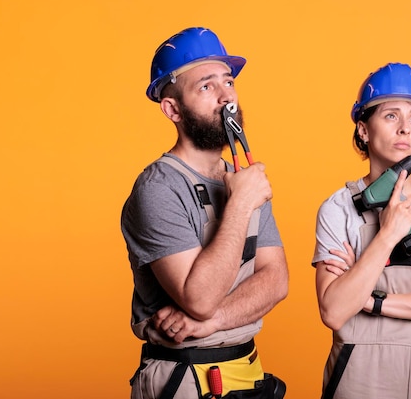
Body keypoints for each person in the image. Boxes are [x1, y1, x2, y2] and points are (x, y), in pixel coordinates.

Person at [121, 27, 288, 399]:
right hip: (184, 378)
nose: (227, 96)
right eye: (207, 86)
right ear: (173, 109)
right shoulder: (158, 188)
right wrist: (242, 204)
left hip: (247, 368)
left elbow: (276, 281)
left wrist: (212, 321)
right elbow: (199, 298)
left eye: (228, 81)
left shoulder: (242, 178)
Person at [312, 63, 411, 399]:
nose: (405, 129)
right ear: (363, 129)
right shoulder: (338, 208)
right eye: (390, 116)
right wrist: (387, 234)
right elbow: (334, 310)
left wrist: (370, 301)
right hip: (359, 376)